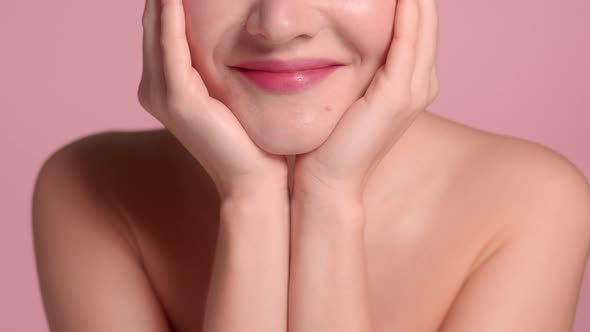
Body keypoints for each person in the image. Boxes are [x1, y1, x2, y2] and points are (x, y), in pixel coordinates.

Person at [31, 0, 590, 331]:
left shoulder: (529, 204)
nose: (277, 24)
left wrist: (329, 198)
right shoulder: (88, 190)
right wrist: (251, 206)